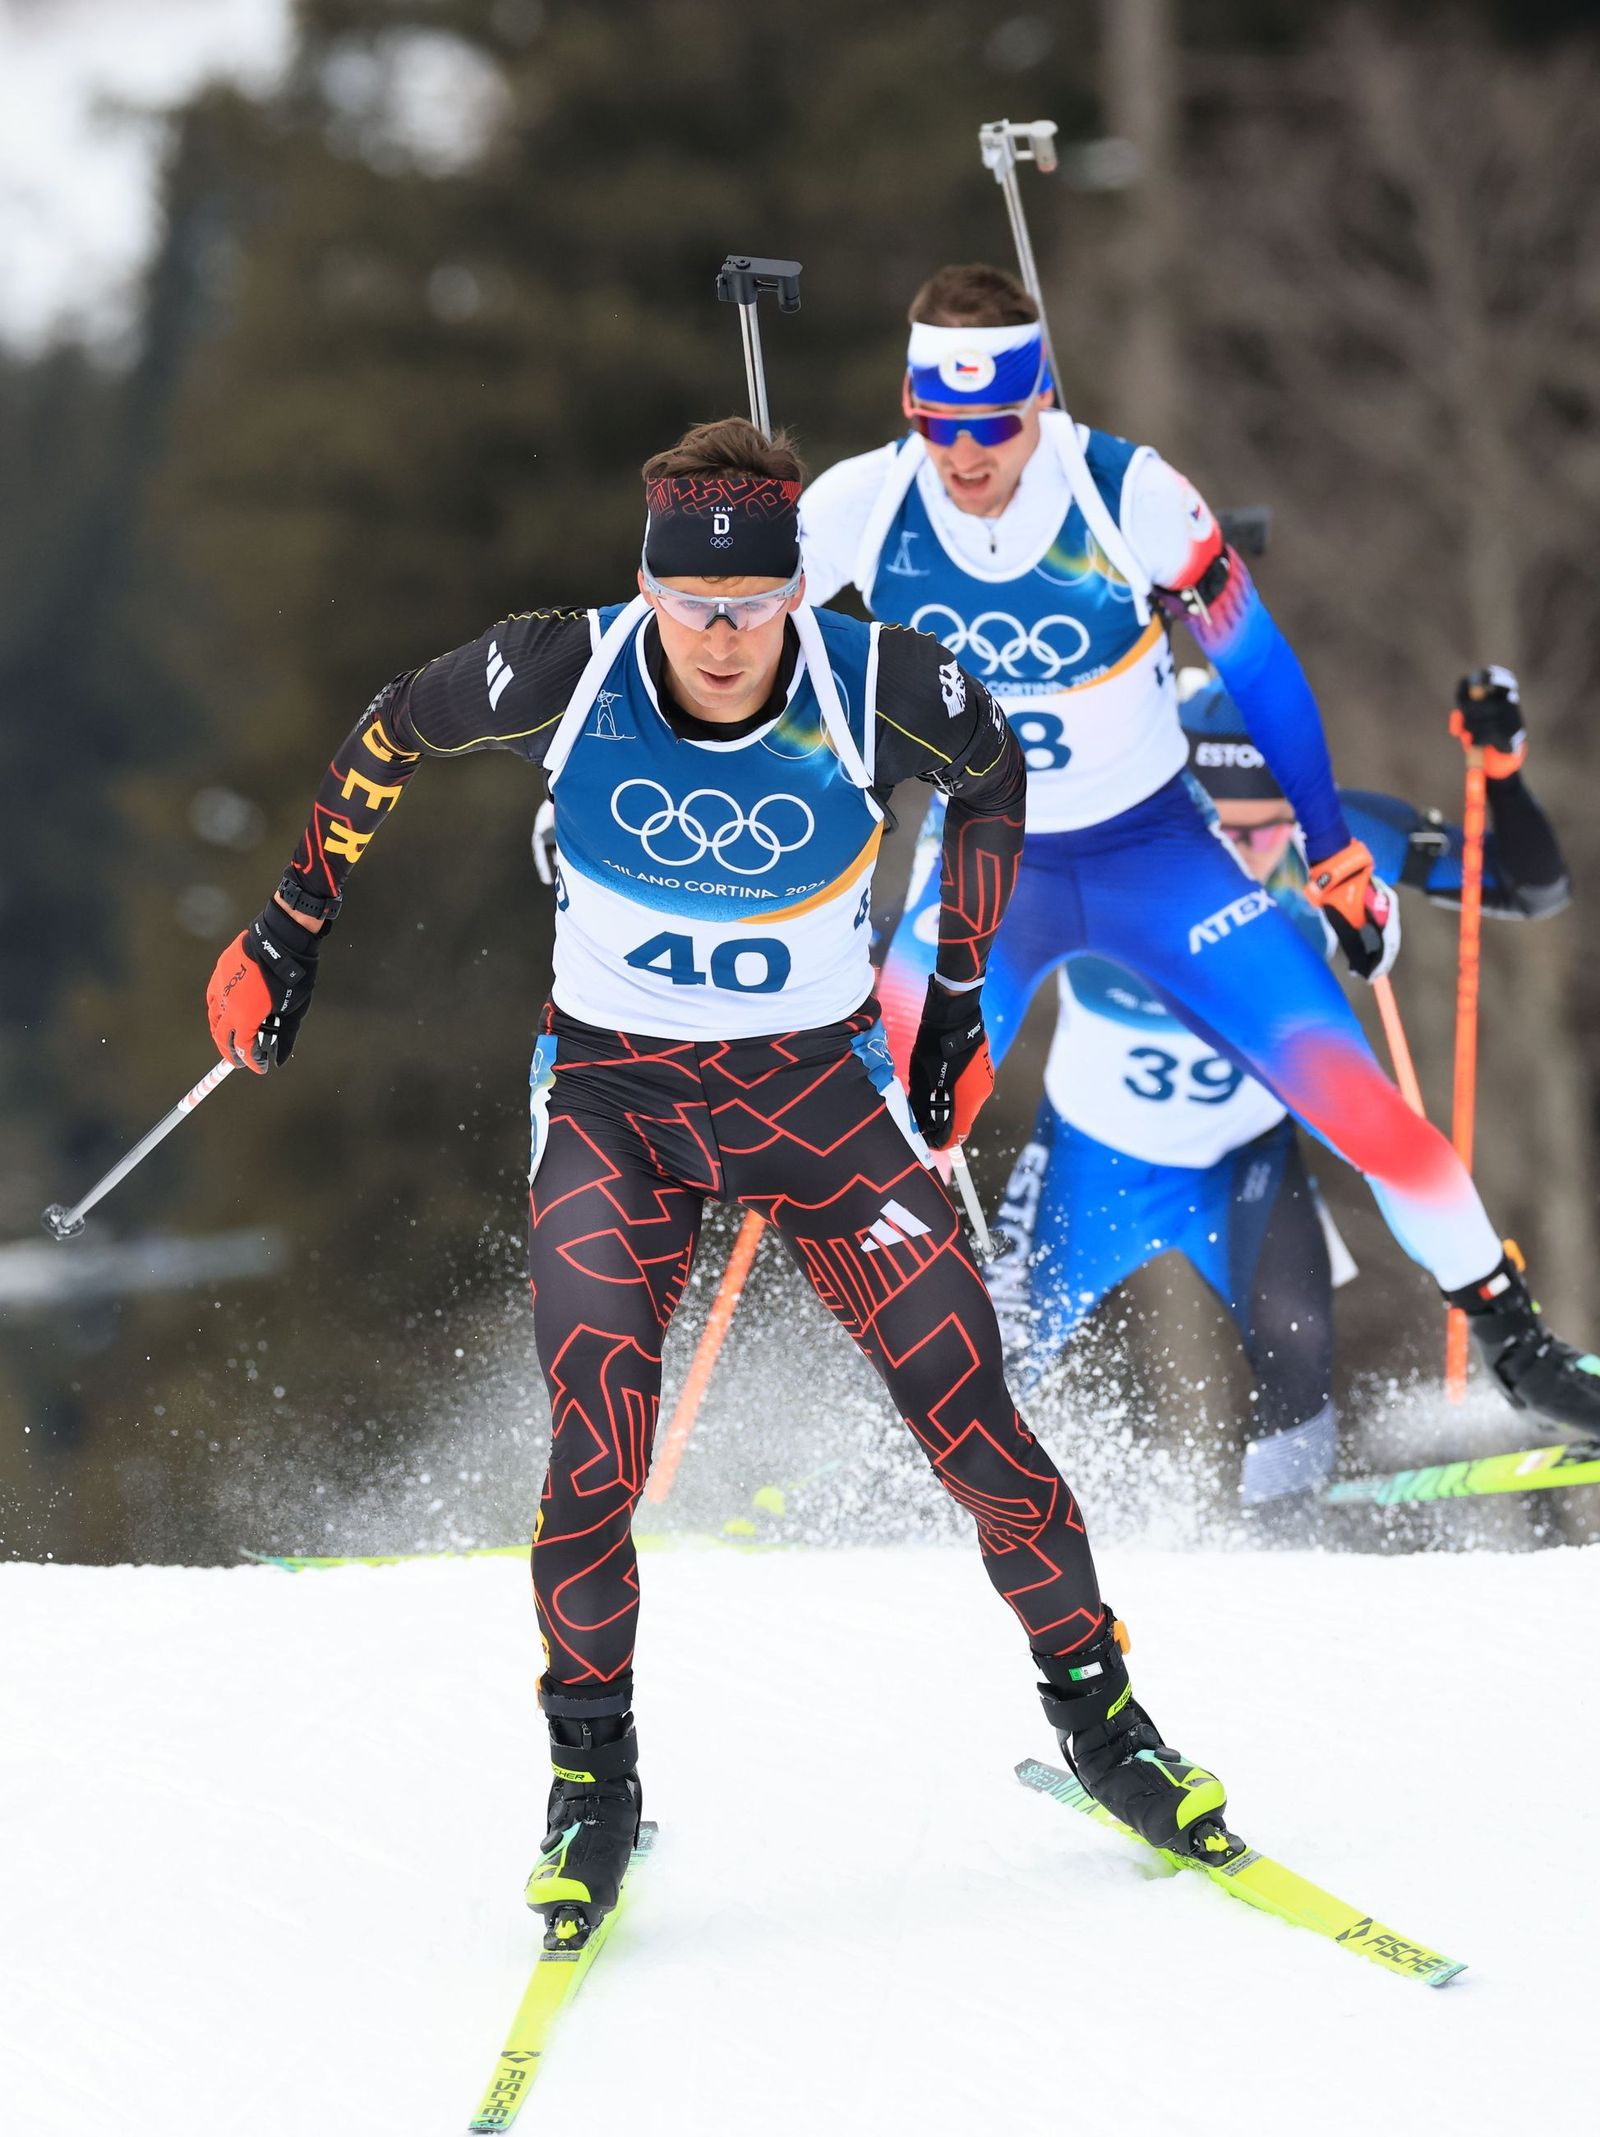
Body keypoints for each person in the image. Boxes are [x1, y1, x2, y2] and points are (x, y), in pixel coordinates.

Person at [203, 416, 1235, 1942]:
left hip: (815, 1096)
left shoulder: (866, 674)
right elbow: (391, 730)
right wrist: (290, 927)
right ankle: (591, 1778)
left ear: (796, 594)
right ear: (651, 589)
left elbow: (996, 760)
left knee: (967, 1395)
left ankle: (1102, 1721)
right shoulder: (571, 666)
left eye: (756, 607)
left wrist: (955, 993)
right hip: (617, 1101)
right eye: (698, 607)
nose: (727, 639)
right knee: (598, 1430)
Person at [799, 262, 1600, 1435]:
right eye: (937, 424)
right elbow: (727, 648)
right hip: (986, 870)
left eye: (990, 426)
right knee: (869, 1128)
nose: (964, 458)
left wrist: (1330, 856)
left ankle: (1521, 1351)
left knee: (1368, 1114)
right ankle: (892, 1424)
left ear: (1039, 403)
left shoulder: (1129, 496)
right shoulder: (858, 505)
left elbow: (1261, 674)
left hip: (1155, 857)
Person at [984, 663, 1574, 1513]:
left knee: (1297, 1347)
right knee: (986, 1356)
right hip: (1091, 1156)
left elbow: (1529, 886)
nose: (1249, 854)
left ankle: (1282, 1557)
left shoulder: (1332, 845)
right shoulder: (1108, 849)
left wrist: (1504, 771)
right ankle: (870, 1490)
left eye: (1269, 829)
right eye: (1219, 830)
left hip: (1243, 1162)